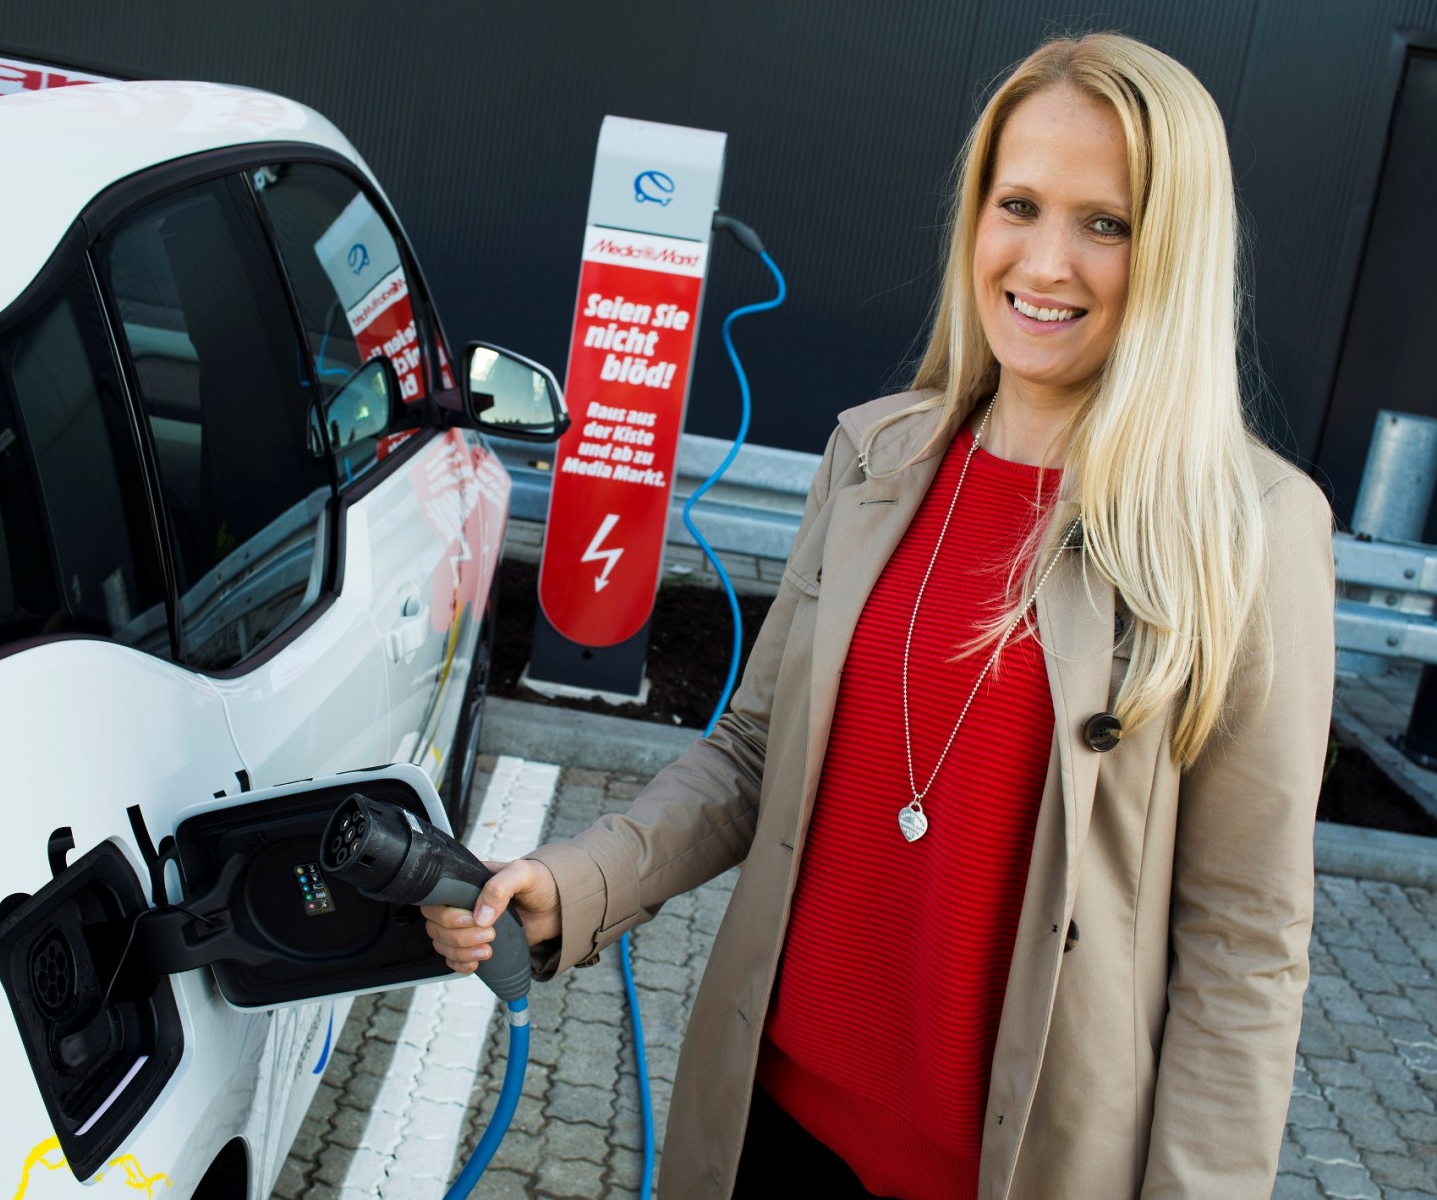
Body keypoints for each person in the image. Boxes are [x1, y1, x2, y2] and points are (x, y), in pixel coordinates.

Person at [425, 32, 1334, 1200]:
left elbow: (1243, 943)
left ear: (1175, 249)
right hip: (773, 1131)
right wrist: (577, 880)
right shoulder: (872, 455)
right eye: (1018, 205)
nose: (1045, 262)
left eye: (1104, 223)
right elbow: (755, 753)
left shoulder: (1247, 528)